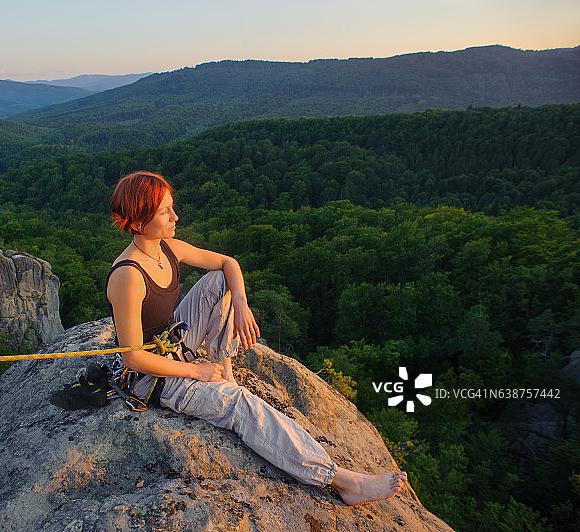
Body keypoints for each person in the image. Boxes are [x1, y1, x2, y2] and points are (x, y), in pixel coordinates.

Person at [104, 171, 407, 506]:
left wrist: (241, 303)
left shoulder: (168, 248)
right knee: (242, 407)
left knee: (220, 281)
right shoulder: (129, 276)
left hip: (175, 342)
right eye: (164, 212)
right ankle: (341, 481)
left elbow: (227, 263)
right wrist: (196, 372)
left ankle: (225, 369)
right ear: (139, 220)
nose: (175, 217)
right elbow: (132, 358)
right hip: (154, 375)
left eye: (172, 208)